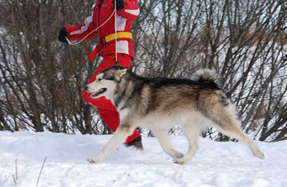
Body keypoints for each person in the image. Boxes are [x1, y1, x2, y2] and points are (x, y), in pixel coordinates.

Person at [58, 0, 143, 149]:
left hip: (119, 54)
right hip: (108, 55)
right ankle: (133, 141)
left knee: (91, 93)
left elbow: (133, 11)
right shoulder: (98, 6)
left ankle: (134, 108)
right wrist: (68, 32)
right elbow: (87, 29)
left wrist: (122, 5)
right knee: (102, 104)